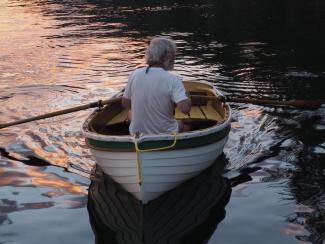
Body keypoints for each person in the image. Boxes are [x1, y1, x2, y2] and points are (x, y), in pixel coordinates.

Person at [122, 37, 191, 135]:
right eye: (174, 56)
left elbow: (125, 103)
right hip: (166, 134)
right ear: (168, 56)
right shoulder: (172, 80)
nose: (174, 59)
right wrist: (187, 97)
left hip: (137, 134)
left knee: (130, 113)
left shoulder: (135, 74)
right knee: (183, 125)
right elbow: (185, 109)